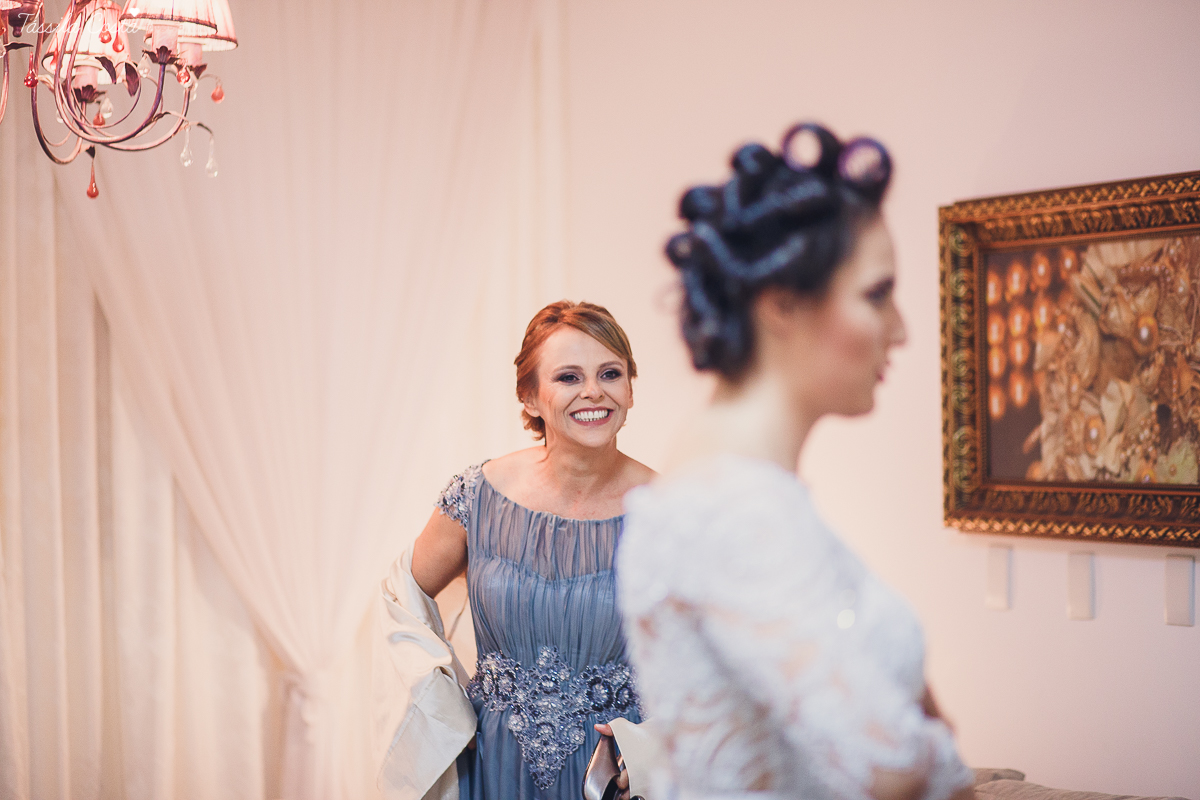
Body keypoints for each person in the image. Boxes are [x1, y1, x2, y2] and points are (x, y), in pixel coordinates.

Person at [615, 124, 976, 800]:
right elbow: (888, 765)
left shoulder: (749, 494)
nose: (900, 329)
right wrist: (941, 751)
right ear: (781, 303)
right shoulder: (727, 509)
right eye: (876, 294)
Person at [376, 300, 654, 800]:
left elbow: (722, 658)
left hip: (611, 777)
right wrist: (441, 708)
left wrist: (659, 748)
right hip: (493, 766)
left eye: (610, 373)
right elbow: (402, 597)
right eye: (568, 377)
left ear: (630, 389)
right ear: (530, 396)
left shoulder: (671, 513)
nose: (594, 391)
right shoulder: (476, 496)